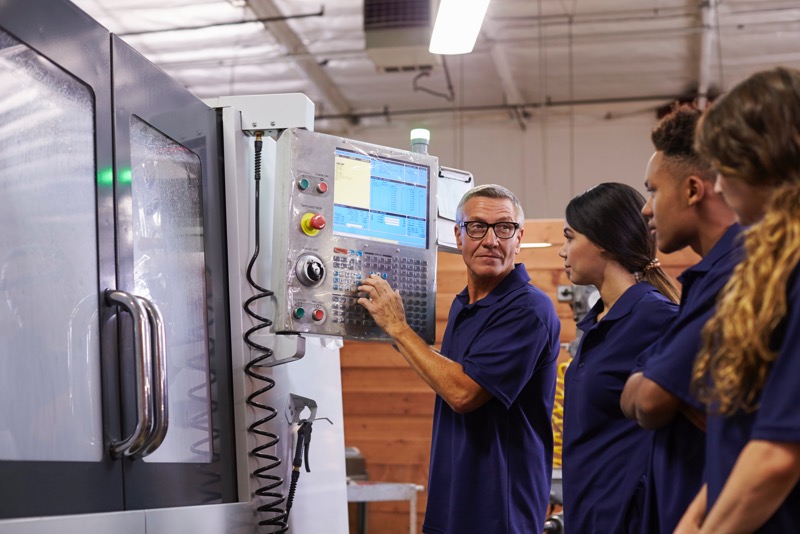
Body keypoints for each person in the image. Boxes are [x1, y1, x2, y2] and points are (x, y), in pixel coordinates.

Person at [357, 184, 561, 534]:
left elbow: (463, 393)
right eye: (478, 227)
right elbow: (448, 374)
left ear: (519, 237)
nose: (491, 240)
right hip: (451, 504)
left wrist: (399, 329)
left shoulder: (528, 310)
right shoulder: (464, 304)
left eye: (504, 228)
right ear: (458, 235)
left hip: (498, 512)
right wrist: (393, 332)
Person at [676, 66, 800, 533]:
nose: (721, 187)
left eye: (727, 169)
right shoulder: (767, 268)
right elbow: (743, 443)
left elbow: (777, 456)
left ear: (766, 162)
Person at [619, 104, 740, 533]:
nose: (646, 211)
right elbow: (642, 394)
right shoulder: (704, 279)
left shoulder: (735, 274)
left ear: (692, 190)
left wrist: (657, 387)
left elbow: (648, 401)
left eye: (652, 191)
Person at [560, 182, 680, 533]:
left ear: (602, 242)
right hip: (588, 511)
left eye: (570, 238)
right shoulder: (597, 322)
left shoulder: (654, 317)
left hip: (627, 517)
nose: (562, 251)